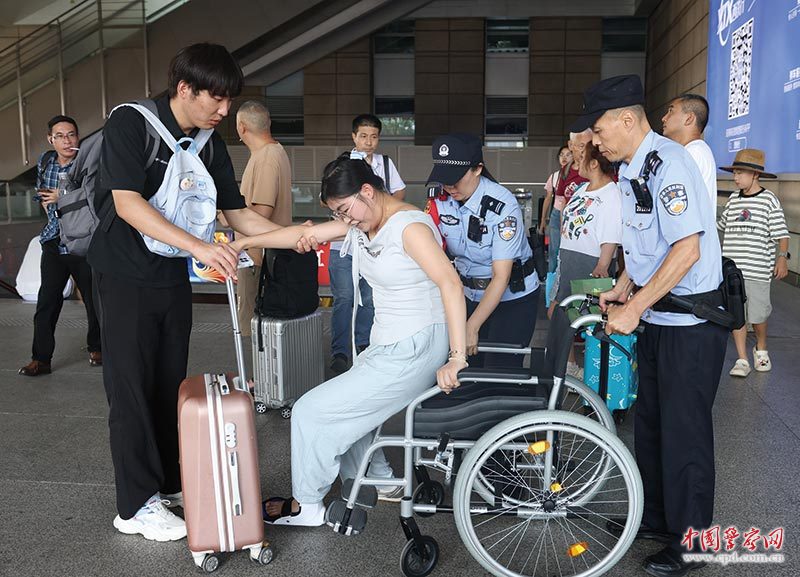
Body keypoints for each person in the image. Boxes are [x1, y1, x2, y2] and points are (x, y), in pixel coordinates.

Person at [88, 43, 282, 542]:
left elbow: (238, 215)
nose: (225, 111)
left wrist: (300, 234)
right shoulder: (130, 123)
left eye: (229, 101)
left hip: (170, 276)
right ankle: (134, 506)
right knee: (129, 388)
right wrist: (200, 246)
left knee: (167, 384)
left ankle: (165, 485)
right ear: (184, 89)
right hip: (123, 275)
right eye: (216, 99)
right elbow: (127, 203)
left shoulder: (208, 143)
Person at [229, 154, 467, 525]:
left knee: (310, 411)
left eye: (344, 210)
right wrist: (245, 242)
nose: (344, 219)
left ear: (367, 191)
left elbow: (450, 283)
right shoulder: (364, 223)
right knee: (350, 407)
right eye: (337, 213)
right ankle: (379, 480)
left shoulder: (409, 228)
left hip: (416, 345)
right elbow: (301, 235)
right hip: (389, 343)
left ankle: (307, 505)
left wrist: (456, 357)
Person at [577, 74, 726, 576]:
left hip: (691, 323)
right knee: (653, 426)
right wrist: (624, 285)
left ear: (626, 119)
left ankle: (695, 542)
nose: (595, 141)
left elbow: (687, 249)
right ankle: (659, 518)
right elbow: (650, 243)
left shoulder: (670, 164)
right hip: (661, 316)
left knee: (685, 433)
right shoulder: (634, 168)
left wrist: (634, 307)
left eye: (599, 130)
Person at [427, 133, 539, 368]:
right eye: (444, 179)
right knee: (466, 370)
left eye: (456, 179)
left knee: (500, 370)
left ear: (477, 169)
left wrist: (472, 326)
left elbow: (501, 276)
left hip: (512, 299)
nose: (450, 187)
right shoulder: (440, 201)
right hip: (468, 295)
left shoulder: (502, 204)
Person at [19, 115, 102, 377]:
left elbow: (95, 196)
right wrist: (48, 204)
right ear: (50, 140)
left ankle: (98, 348)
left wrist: (62, 196)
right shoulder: (46, 161)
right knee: (47, 302)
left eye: (72, 135)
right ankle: (40, 359)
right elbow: (42, 192)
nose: (67, 141)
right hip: (53, 241)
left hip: (83, 242)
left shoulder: (88, 162)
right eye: (60, 136)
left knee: (94, 300)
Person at [328, 114, 406, 374]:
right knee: (344, 298)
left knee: (370, 298)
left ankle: (363, 344)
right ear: (354, 137)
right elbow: (326, 198)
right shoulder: (342, 164)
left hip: (373, 243)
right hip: (344, 244)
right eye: (363, 136)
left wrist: (379, 213)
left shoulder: (386, 163)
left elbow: (399, 191)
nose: (368, 142)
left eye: (374, 137)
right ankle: (340, 352)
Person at [551, 141, 622, 378]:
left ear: (594, 164)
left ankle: (595, 372)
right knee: (560, 312)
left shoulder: (611, 193)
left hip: (591, 263)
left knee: (589, 318)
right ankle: (569, 365)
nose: (575, 163)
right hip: (568, 259)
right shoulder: (582, 189)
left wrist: (603, 264)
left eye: (581, 158)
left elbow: (611, 234)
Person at [717, 149, 789, 377]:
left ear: (755, 175)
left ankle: (761, 348)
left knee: (758, 316)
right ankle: (742, 359)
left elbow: (782, 233)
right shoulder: (733, 199)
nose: (736, 178)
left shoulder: (769, 200)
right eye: (734, 173)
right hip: (733, 271)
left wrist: (782, 257)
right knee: (737, 314)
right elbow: (721, 226)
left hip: (757, 270)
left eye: (740, 173)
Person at [234, 100, 293, 336]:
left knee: (252, 331)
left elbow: (261, 214)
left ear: (242, 127)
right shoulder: (272, 152)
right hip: (264, 257)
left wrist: (229, 215)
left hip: (257, 259)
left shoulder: (267, 157)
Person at [661, 93, 717, 211]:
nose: (664, 118)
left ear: (689, 118)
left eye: (671, 111)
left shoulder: (694, 152)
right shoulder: (693, 150)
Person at [537, 145, 572, 274]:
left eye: (568, 155)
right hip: (556, 214)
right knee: (554, 249)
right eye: (562, 155)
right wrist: (543, 220)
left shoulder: (579, 175)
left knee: (569, 250)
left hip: (571, 215)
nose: (564, 157)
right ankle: (552, 278)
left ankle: (565, 276)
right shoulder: (555, 176)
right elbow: (548, 199)